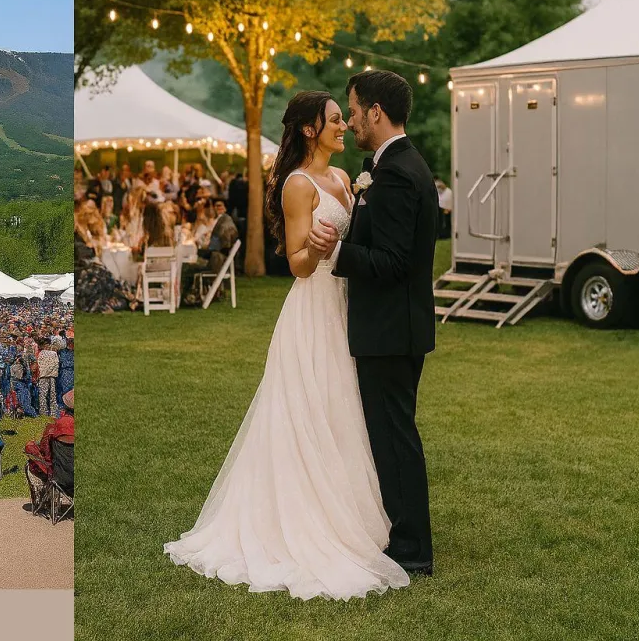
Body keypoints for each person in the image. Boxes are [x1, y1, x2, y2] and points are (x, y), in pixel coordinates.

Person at [166, 89, 410, 600]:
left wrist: (343, 247)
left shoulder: (346, 179)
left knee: (345, 411)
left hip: (347, 307)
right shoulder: (298, 185)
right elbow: (295, 263)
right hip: (314, 305)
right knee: (310, 406)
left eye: (346, 119)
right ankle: (303, 521)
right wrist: (320, 250)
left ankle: (352, 518)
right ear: (309, 129)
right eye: (336, 120)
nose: (345, 126)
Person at [314, 69, 437, 578]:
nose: (352, 121)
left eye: (355, 110)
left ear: (376, 113)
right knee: (389, 436)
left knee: (394, 437)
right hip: (395, 328)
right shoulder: (398, 167)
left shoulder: (397, 175)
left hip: (390, 330)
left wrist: (338, 252)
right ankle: (400, 530)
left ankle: (411, 548)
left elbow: (391, 262)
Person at [23, 389, 75, 516]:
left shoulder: (55, 427)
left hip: (62, 477)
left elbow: (46, 452)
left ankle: (44, 501)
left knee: (32, 462)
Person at [36, 338, 60, 417]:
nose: (47, 346)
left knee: (47, 394)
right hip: (48, 376)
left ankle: (47, 412)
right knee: (48, 394)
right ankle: (49, 412)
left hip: (46, 375)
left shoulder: (49, 353)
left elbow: (56, 364)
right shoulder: (43, 353)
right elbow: (55, 364)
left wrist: (45, 372)